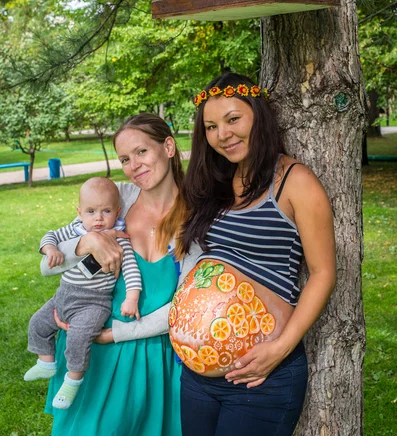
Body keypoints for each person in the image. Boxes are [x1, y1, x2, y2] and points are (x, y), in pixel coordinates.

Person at [178, 72, 336, 435]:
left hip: (261, 377)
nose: (223, 134)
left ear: (258, 116)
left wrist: (280, 347)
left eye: (233, 119)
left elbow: (323, 272)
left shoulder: (294, 182)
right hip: (198, 377)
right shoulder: (214, 182)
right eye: (212, 126)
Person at [38, 114, 201, 436]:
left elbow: (187, 305)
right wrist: (89, 241)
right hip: (93, 354)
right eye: (125, 159)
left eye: (141, 152)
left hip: (155, 356)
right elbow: (47, 267)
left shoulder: (196, 217)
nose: (134, 165)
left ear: (168, 147)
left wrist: (117, 334)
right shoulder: (119, 199)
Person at [24, 177, 141, 410]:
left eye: (106, 211)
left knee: (78, 338)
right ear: (79, 212)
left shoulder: (120, 239)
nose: (98, 218)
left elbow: (131, 270)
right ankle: (46, 362)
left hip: (93, 303)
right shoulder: (76, 228)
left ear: (118, 211)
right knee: (38, 322)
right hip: (64, 294)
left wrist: (132, 298)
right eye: (91, 211)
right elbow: (50, 235)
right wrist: (50, 249)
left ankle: (73, 379)